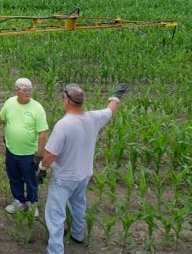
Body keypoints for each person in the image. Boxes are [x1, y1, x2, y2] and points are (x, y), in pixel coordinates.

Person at [38, 83, 128, 254]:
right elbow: (110, 110)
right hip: (84, 174)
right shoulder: (93, 117)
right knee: (78, 204)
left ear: (67, 100)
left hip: (64, 177)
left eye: (63, 97)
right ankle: (78, 235)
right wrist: (116, 96)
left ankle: (55, 250)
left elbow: (50, 155)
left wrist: (42, 167)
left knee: (55, 215)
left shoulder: (63, 125)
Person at [0, 78, 49, 217]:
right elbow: (1, 120)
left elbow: (42, 133)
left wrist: (39, 155)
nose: (28, 93)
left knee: (31, 180)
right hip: (11, 151)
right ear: (16, 91)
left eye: (29, 89)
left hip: (29, 154)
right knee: (14, 178)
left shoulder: (37, 108)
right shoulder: (10, 103)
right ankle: (19, 201)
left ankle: (32, 203)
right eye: (24, 90)